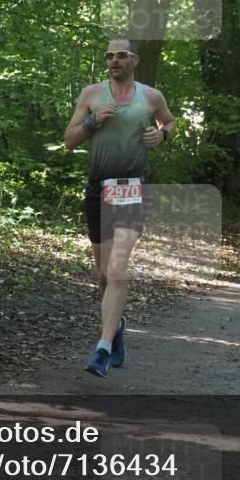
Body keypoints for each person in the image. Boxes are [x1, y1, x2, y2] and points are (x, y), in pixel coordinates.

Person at [64, 37, 176, 377]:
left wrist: (163, 136)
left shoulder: (150, 97)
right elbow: (69, 140)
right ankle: (117, 327)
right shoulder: (92, 95)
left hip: (132, 190)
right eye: (109, 56)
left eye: (121, 55)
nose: (114, 61)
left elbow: (169, 122)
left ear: (134, 60)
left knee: (116, 270)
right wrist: (92, 121)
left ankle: (102, 348)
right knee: (102, 277)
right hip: (98, 190)